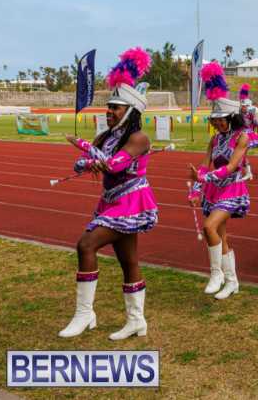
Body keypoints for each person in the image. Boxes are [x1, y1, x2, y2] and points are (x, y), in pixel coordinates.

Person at [59, 47, 158, 340]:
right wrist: (87, 157)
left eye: (115, 108)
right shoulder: (105, 136)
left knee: (86, 245)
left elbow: (114, 165)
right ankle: (136, 321)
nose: (109, 112)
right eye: (109, 106)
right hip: (111, 202)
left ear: (130, 111)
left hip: (131, 202)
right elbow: (84, 164)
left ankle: (84, 313)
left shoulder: (139, 138)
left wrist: (85, 150)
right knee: (129, 261)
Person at [187, 62, 249, 300]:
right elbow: (204, 164)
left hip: (233, 189)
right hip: (214, 190)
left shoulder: (242, 137)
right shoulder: (215, 140)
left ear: (232, 117)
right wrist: (196, 189)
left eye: (221, 119)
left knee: (209, 227)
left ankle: (216, 274)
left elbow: (233, 166)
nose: (217, 123)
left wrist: (203, 177)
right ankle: (232, 281)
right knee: (221, 236)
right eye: (215, 119)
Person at [239, 83, 258, 180]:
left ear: (248, 106)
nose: (242, 107)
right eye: (242, 106)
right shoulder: (241, 114)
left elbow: (256, 123)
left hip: (247, 135)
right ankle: (248, 173)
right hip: (242, 134)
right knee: (241, 155)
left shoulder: (250, 115)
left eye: (244, 106)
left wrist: (254, 116)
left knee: (242, 154)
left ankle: (248, 173)